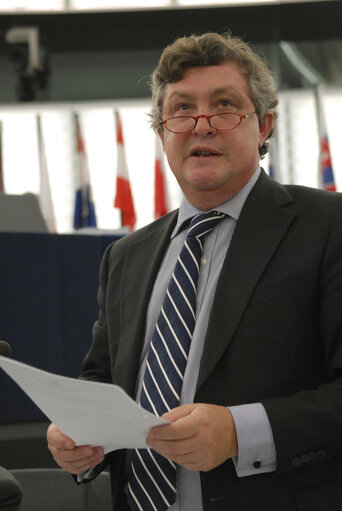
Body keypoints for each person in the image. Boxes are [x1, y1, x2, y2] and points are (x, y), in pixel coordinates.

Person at [47, 32, 342, 510]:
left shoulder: (329, 226)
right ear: (163, 130)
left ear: (264, 125)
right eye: (181, 109)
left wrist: (239, 434)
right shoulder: (126, 256)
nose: (200, 124)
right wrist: (80, 434)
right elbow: (102, 378)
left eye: (224, 105)